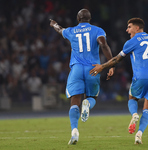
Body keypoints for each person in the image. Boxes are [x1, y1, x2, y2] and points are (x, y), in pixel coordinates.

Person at [90, 18, 148, 144]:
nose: (127, 30)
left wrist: (102, 66)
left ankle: (134, 114)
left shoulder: (131, 42)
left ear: (137, 28)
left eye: (129, 27)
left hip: (141, 76)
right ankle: (139, 134)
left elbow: (117, 59)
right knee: (147, 109)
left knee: (132, 98)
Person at [49, 9, 114, 145]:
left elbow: (60, 29)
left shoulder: (72, 31)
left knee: (74, 101)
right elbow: (103, 44)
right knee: (92, 97)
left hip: (77, 69)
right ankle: (88, 104)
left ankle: (74, 132)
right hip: (93, 68)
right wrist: (110, 64)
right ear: (89, 19)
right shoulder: (98, 30)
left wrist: (54, 24)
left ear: (78, 19)